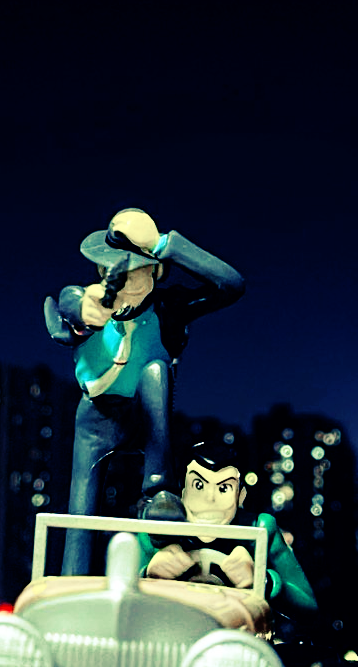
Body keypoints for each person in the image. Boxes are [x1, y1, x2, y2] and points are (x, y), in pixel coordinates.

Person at [45, 209, 244, 575]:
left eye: (137, 274)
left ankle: (158, 492)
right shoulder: (94, 304)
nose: (126, 285)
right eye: (116, 274)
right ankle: (71, 576)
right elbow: (69, 305)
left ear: (156, 272)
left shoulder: (169, 309)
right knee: (80, 514)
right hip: (98, 418)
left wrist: (166, 245)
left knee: (155, 371)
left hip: (148, 415)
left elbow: (230, 285)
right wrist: (84, 311)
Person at [138, 441, 318, 623]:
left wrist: (262, 581)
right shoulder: (158, 530)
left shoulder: (259, 529)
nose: (210, 499)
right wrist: (147, 575)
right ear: (182, 491)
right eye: (198, 485)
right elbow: (121, 594)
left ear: (240, 495)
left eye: (223, 488)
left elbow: (308, 607)